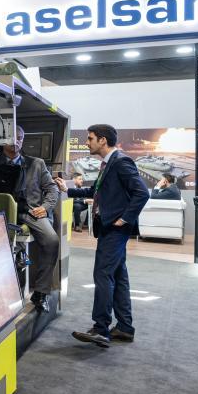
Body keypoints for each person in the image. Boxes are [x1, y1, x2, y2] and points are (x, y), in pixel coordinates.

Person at [55, 124, 149, 348]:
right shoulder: (108, 163)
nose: (87, 142)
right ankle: (124, 327)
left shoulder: (121, 162)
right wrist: (67, 189)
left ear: (103, 140)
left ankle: (100, 329)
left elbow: (142, 193)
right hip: (109, 228)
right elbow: (95, 192)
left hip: (115, 229)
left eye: (90, 138)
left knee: (103, 275)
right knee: (118, 276)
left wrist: (124, 218)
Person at [0, 125, 60, 312]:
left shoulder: (36, 163)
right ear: (3, 139)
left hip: (30, 211)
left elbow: (52, 189)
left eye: (20, 138)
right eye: (12, 137)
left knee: (51, 240)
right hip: (2, 211)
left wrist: (45, 207)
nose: (16, 141)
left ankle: (41, 292)